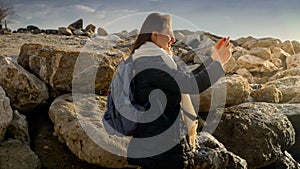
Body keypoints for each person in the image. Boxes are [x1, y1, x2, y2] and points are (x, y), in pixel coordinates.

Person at [126, 12, 233, 169]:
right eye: (169, 33)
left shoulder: (151, 59)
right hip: (159, 150)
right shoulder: (150, 63)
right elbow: (190, 84)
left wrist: (214, 59)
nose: (173, 39)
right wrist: (218, 64)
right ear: (155, 35)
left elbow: (183, 79)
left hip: (161, 145)